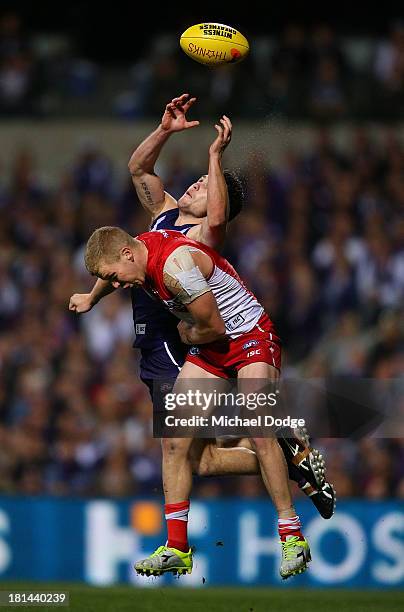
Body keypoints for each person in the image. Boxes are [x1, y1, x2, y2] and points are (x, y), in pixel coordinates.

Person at [69, 93, 335, 519]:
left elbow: (212, 223)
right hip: (154, 342)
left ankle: (276, 462)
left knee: (185, 448)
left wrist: (216, 157)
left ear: (219, 202)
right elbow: (137, 175)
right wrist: (164, 130)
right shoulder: (164, 215)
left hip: (181, 341)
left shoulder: (202, 239)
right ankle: (290, 455)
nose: (194, 183)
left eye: (206, 185)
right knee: (199, 459)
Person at [84, 225, 313, 580]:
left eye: (113, 278)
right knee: (174, 440)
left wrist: (186, 334)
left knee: (258, 428)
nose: (116, 285)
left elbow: (215, 327)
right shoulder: (135, 254)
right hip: (211, 349)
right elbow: (110, 261)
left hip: (247, 336)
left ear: (127, 255)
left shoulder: (175, 268)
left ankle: (292, 536)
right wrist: (90, 296)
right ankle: (177, 548)